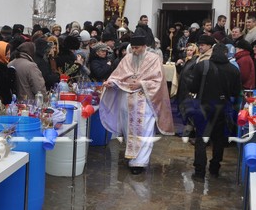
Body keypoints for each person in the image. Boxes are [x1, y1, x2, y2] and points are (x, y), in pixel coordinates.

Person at [100, 35, 174, 174]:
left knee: (145, 131)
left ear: (144, 46)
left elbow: (158, 81)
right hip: (127, 103)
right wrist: (112, 83)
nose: (134, 51)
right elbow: (118, 76)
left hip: (145, 102)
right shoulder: (127, 58)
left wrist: (141, 84)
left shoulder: (154, 59)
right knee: (130, 132)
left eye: (137, 48)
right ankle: (132, 157)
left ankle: (139, 163)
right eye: (132, 48)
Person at [188, 44, 241, 180]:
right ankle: (215, 168)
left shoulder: (202, 66)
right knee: (219, 139)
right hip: (222, 108)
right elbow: (236, 92)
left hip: (203, 107)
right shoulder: (234, 70)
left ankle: (199, 172)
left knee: (201, 139)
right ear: (226, 53)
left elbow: (193, 88)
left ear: (212, 52)